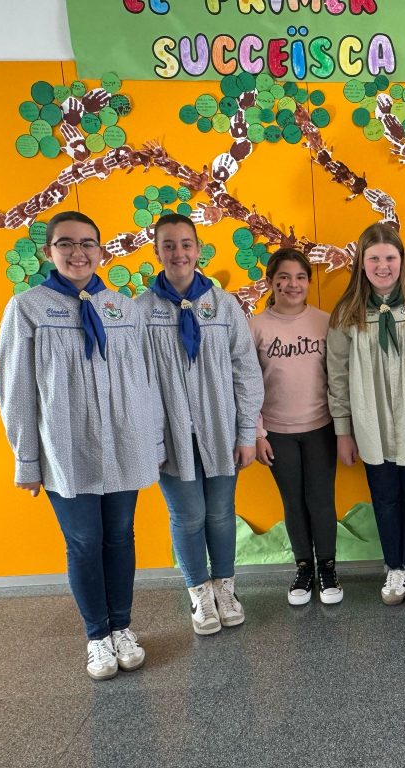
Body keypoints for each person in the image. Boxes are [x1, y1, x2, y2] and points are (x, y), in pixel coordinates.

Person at [0, 211, 162, 680]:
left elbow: (146, 380)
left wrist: (152, 442)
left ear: (101, 251)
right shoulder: (27, 308)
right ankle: (97, 636)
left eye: (88, 243)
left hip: (124, 443)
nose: (78, 252)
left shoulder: (123, 308)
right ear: (48, 251)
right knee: (85, 542)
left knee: (120, 535)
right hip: (67, 448)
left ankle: (122, 627)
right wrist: (27, 459)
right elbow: (16, 391)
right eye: (66, 243)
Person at [137, 214, 264, 636]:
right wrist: (150, 442)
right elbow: (136, 381)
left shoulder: (223, 305)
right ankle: (199, 592)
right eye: (169, 245)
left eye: (186, 244)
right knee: (188, 516)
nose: (179, 253)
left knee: (221, 514)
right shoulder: (141, 310)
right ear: (157, 252)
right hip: (170, 435)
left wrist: (247, 433)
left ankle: (225, 588)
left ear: (199, 249)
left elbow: (246, 372)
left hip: (220, 431)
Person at [326, 223, 405, 606]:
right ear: (361, 263)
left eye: (390, 257)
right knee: (384, 498)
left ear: (402, 260)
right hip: (372, 424)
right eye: (374, 258)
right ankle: (394, 567)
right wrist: (343, 430)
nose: (382, 266)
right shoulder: (347, 312)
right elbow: (337, 374)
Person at [249, 247, 342, 606]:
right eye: (284, 277)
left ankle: (328, 569)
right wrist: (257, 434)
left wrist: (344, 429)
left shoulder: (325, 322)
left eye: (300, 277)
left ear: (308, 281)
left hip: (321, 429)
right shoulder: (256, 326)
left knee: (321, 500)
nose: (293, 284)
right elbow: (247, 384)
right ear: (271, 282)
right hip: (277, 433)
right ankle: (304, 569)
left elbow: (338, 378)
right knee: (293, 501)